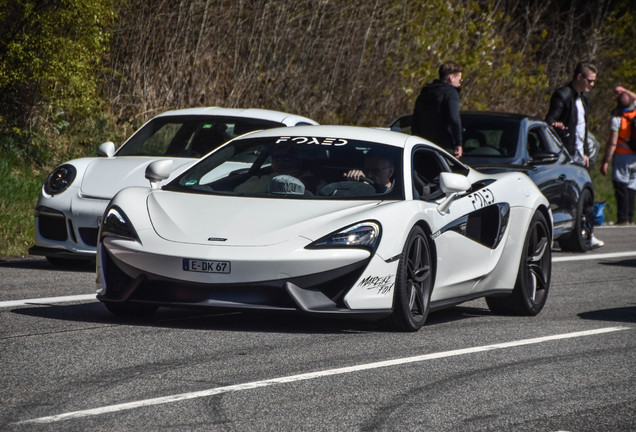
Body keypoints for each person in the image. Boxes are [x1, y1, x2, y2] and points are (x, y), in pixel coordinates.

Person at [546, 61, 604, 248]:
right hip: (565, 154)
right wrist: (558, 126)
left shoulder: (583, 98)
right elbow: (550, 122)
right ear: (579, 77)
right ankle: (565, 233)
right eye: (590, 81)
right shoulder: (563, 95)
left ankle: (587, 232)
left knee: (586, 195)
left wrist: (586, 152)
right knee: (570, 195)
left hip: (580, 153)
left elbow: (583, 128)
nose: (592, 85)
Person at [411, 61, 463, 157]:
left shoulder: (425, 92)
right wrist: (458, 143)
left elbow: (415, 119)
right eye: (460, 80)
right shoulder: (451, 93)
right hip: (444, 147)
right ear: (451, 78)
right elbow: (454, 119)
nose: (460, 84)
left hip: (423, 145)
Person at [600, 89, 636, 225]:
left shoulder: (617, 119)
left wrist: (605, 161)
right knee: (632, 187)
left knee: (621, 187)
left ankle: (622, 219)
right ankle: (631, 218)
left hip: (622, 156)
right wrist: (625, 90)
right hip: (635, 157)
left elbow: (613, 143)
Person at [234, 144, 318, 194]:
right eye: (276, 158)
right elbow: (238, 191)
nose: (280, 162)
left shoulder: (311, 180)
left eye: (286, 158)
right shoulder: (262, 177)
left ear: (298, 161)